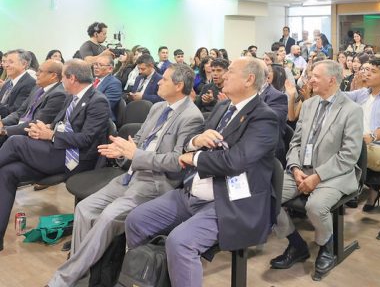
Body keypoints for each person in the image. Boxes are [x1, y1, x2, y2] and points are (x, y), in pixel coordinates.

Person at [124, 57, 278, 287]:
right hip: (193, 190)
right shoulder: (223, 107)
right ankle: (148, 278)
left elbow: (235, 161)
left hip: (229, 201)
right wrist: (196, 141)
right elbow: (192, 138)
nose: (223, 75)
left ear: (249, 80)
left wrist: (195, 157)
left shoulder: (264, 117)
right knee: (136, 220)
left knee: (180, 242)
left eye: (230, 72)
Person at [46, 64, 204, 287]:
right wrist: (122, 150)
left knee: (108, 217)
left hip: (155, 182)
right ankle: (83, 277)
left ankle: (64, 279)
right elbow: (139, 139)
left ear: (178, 86)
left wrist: (135, 154)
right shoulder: (158, 107)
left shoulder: (191, 117)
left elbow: (177, 162)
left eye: (164, 79)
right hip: (130, 175)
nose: (159, 82)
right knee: (84, 209)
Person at [0, 59, 110, 252]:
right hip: (57, 150)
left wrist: (51, 135)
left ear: (72, 78)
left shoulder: (98, 101)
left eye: (63, 77)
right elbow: (60, 124)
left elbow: (86, 139)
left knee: (15, 141)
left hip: (75, 158)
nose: (61, 82)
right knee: (8, 172)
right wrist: (45, 128)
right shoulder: (71, 97)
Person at [270, 60, 363, 280]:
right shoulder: (309, 104)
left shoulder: (352, 110)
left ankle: (326, 246)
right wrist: (294, 168)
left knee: (315, 206)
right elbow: (296, 142)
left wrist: (318, 176)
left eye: (315, 76)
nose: (310, 80)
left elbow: (349, 156)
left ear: (332, 80)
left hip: (335, 174)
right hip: (302, 169)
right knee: (267, 196)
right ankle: (296, 244)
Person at [346, 57, 380, 211]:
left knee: (353, 148)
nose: (367, 74)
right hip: (361, 145)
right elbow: (339, 97)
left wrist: (371, 137)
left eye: (373, 71)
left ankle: (351, 189)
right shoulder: (362, 93)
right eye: (367, 70)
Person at [0, 60, 65, 144]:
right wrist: (2, 122)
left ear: (53, 76)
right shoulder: (37, 87)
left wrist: (5, 130)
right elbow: (20, 112)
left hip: (32, 134)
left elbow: (37, 122)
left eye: (40, 71)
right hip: (19, 126)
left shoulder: (59, 95)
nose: (36, 74)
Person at [0, 49, 36, 118]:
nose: (6, 65)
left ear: (24, 64)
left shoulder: (29, 84)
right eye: (5, 62)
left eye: (11, 62)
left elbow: (15, 111)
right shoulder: (8, 83)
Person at [92, 55, 122, 122]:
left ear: (110, 69)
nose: (96, 67)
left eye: (100, 65)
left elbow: (104, 106)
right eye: (95, 64)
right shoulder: (90, 81)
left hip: (102, 119)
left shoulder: (114, 83)